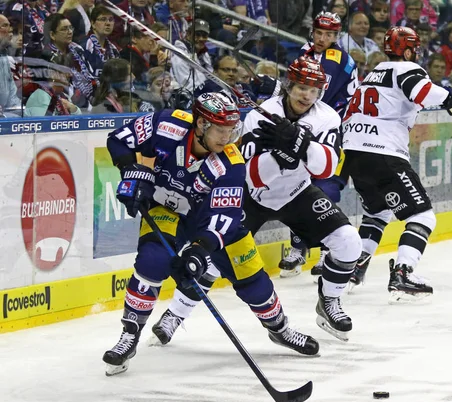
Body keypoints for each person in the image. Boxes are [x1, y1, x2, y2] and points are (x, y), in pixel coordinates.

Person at [102, 93, 319, 376]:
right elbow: (118, 140)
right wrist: (131, 171)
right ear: (201, 124)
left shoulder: (230, 163)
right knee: (152, 262)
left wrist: (198, 252)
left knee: (254, 283)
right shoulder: (167, 124)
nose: (227, 138)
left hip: (213, 222)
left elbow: (224, 219)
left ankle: (279, 328)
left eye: (231, 130)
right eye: (220, 130)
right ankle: (129, 336)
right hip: (168, 208)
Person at [341, 27, 452, 301]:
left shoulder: (372, 76)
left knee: (378, 212)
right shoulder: (405, 69)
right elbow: (421, 90)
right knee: (422, 216)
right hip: (383, 153)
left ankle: (355, 268)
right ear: (410, 51)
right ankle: (404, 272)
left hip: (354, 153)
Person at [240, 56, 362, 341]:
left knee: (348, 242)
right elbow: (252, 176)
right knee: (210, 260)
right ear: (288, 86)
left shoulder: (327, 117)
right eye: (301, 87)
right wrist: (288, 153)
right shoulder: (260, 114)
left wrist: (300, 143)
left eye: (314, 89)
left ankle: (328, 301)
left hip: (297, 192)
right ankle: (176, 315)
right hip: (254, 196)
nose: (307, 95)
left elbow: (327, 168)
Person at [278, 11, 359, 281]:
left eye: (329, 34)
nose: (323, 38)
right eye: (319, 33)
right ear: (312, 31)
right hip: (309, 124)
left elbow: (316, 95)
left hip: (333, 129)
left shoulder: (336, 59)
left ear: (337, 37)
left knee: (325, 186)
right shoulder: (305, 52)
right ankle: (299, 247)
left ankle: (326, 249)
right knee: (296, 183)